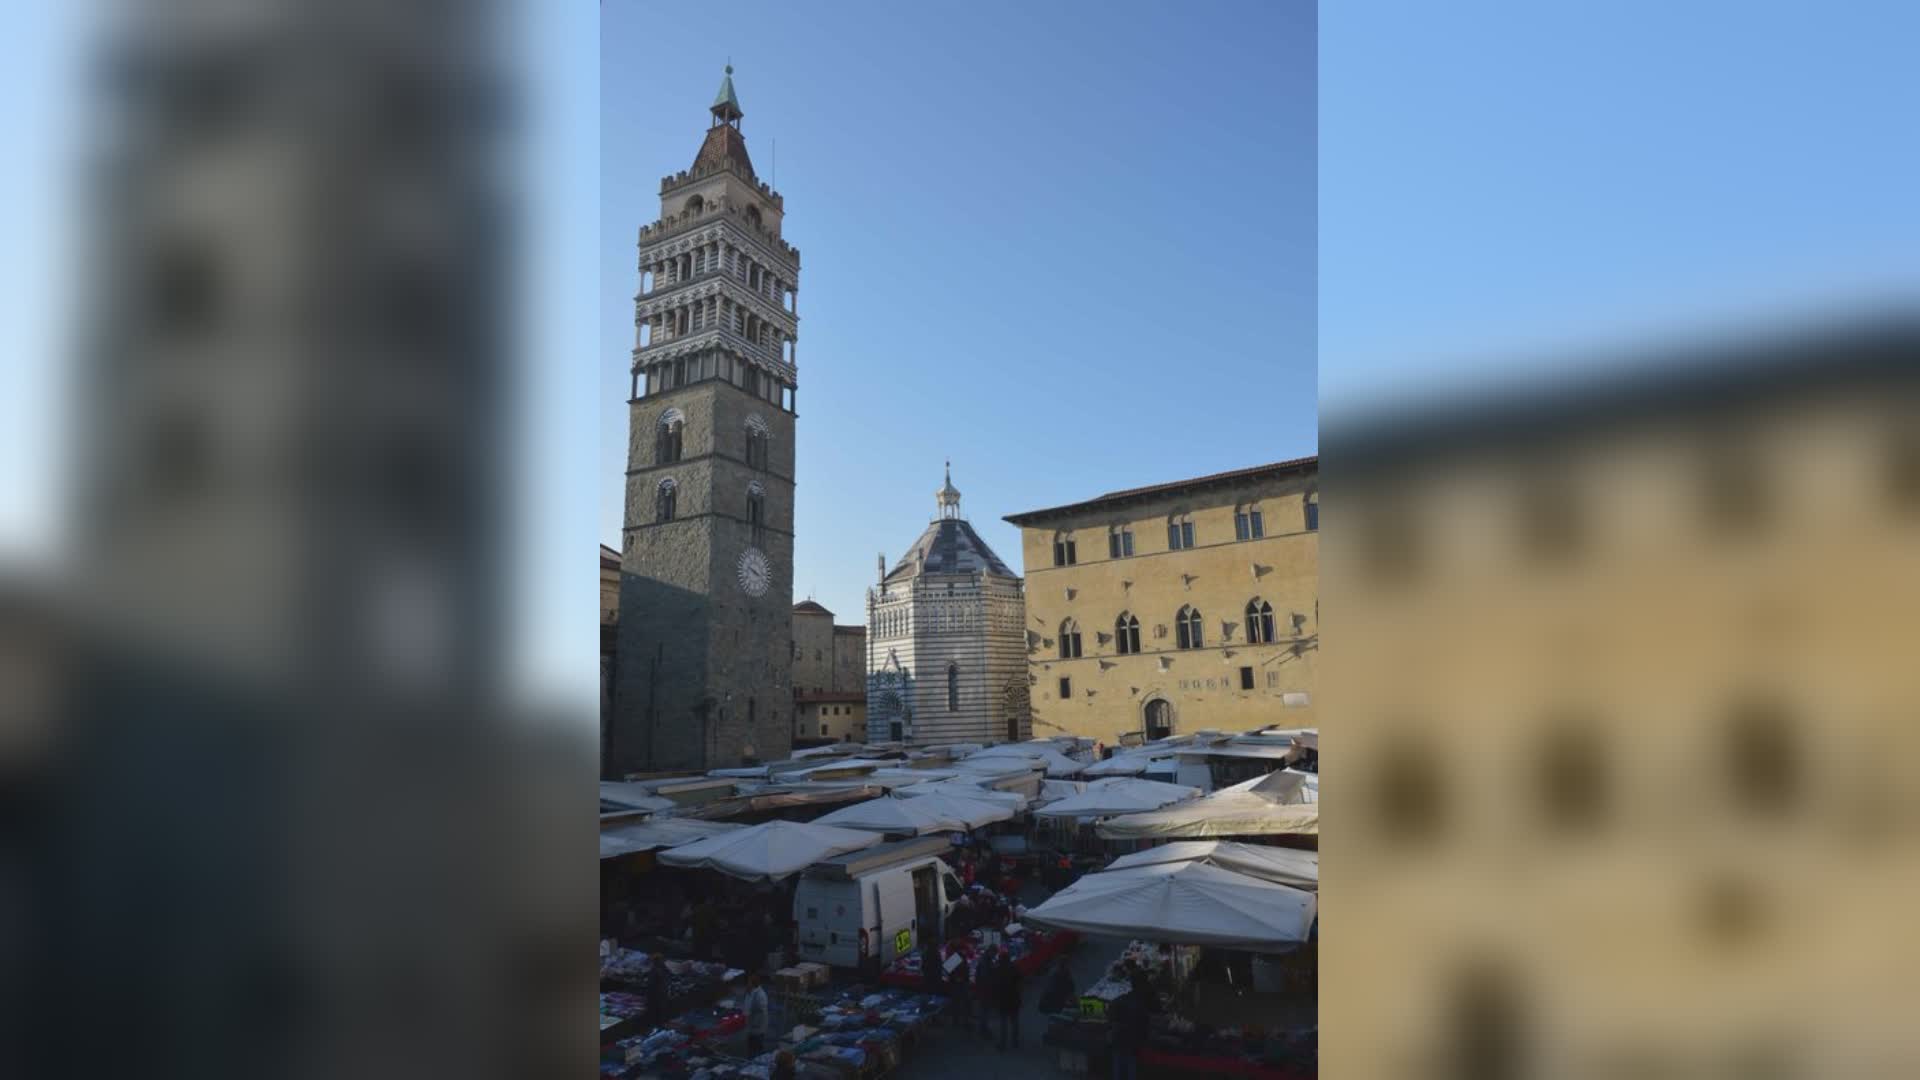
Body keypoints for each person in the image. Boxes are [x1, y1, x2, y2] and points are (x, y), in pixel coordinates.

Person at [1107, 974, 1151, 1080]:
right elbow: (1144, 1024)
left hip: (1118, 1038)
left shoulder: (1120, 1000)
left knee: (1118, 1066)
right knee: (1130, 1066)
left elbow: (1110, 1015)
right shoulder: (1140, 1004)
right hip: (1130, 1041)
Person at [994, 947, 1023, 1050]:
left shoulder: (997, 969)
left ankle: (1002, 1043)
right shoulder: (1014, 967)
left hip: (1003, 999)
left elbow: (995, 984)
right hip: (1014, 998)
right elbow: (1020, 980)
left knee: (1003, 1022)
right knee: (1014, 1021)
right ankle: (1015, 1042)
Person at [743, 972, 770, 1057]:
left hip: (757, 1025)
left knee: (757, 1046)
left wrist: (755, 1024)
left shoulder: (760, 995)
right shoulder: (750, 992)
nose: (747, 984)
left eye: (749, 982)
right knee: (751, 1045)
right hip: (751, 1024)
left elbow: (762, 1011)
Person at [947, 952, 973, 1035]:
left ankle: (962, 1021)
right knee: (958, 1003)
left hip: (962, 984)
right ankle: (958, 1021)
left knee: (962, 1003)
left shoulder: (960, 959)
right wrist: (954, 978)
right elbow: (947, 970)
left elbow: (947, 970)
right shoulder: (956, 959)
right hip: (957, 984)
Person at [973, 949, 997, 1037]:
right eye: (995, 953)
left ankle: (983, 1028)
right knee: (984, 1010)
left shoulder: (985, 960)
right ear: (991, 952)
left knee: (984, 1010)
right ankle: (983, 1029)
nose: (995, 956)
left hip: (983, 990)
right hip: (985, 990)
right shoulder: (985, 962)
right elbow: (985, 977)